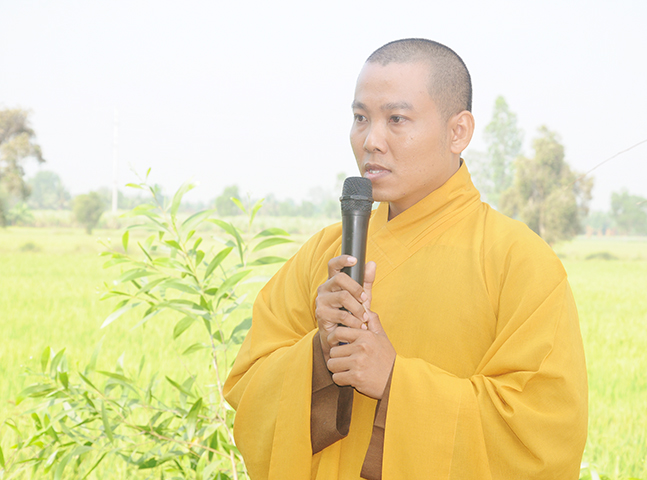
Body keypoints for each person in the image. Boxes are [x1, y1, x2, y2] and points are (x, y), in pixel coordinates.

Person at [223, 38, 588, 480]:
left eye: (396, 119)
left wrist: (394, 380)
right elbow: (248, 389)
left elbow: (542, 436)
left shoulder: (518, 261)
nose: (371, 141)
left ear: (458, 132)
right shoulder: (324, 253)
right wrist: (319, 354)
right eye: (361, 118)